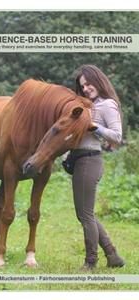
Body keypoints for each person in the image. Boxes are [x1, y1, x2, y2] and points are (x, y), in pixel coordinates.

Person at [64, 64, 125, 270]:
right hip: (81, 160)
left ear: (98, 81)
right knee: (86, 213)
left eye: (89, 84)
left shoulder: (107, 104)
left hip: (90, 160)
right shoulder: (89, 105)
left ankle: (91, 262)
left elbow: (117, 136)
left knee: (85, 215)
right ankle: (113, 256)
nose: (86, 88)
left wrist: (95, 127)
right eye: (83, 86)